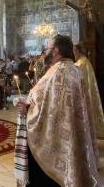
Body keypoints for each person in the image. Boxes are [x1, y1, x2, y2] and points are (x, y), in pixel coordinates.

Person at [15, 35, 100, 187]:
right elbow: (51, 104)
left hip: (53, 142)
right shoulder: (74, 70)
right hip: (70, 134)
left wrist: (26, 108)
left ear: (56, 51)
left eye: (48, 48)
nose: (45, 51)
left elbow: (45, 109)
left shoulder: (58, 73)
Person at [74, 43, 104, 139]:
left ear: (78, 51)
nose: (73, 53)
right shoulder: (84, 61)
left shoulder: (81, 63)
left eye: (74, 51)